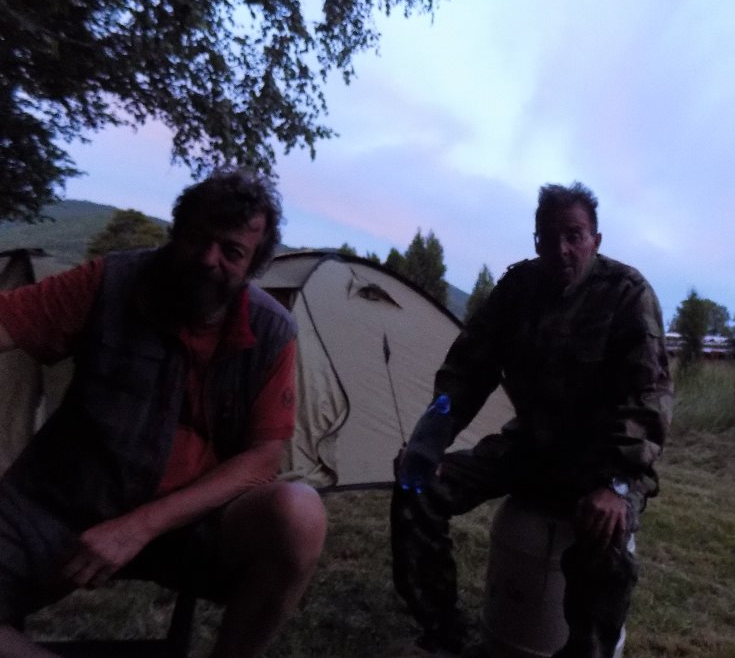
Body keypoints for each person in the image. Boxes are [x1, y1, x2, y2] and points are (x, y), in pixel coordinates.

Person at [0, 170, 328, 658]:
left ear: (252, 265)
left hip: (191, 523)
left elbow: (263, 457)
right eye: (198, 237)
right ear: (176, 232)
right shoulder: (110, 282)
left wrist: (141, 525)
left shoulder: (272, 331)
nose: (208, 259)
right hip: (60, 503)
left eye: (231, 251)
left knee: (299, 512)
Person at [391, 182, 673, 658]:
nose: (561, 249)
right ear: (536, 240)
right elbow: (465, 373)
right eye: (549, 237)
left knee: (606, 535)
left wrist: (618, 484)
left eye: (574, 235)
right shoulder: (517, 289)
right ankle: (443, 634)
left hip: (603, 459)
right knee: (415, 488)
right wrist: (426, 445)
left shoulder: (627, 294)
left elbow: (649, 398)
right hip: (531, 446)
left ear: (595, 240)